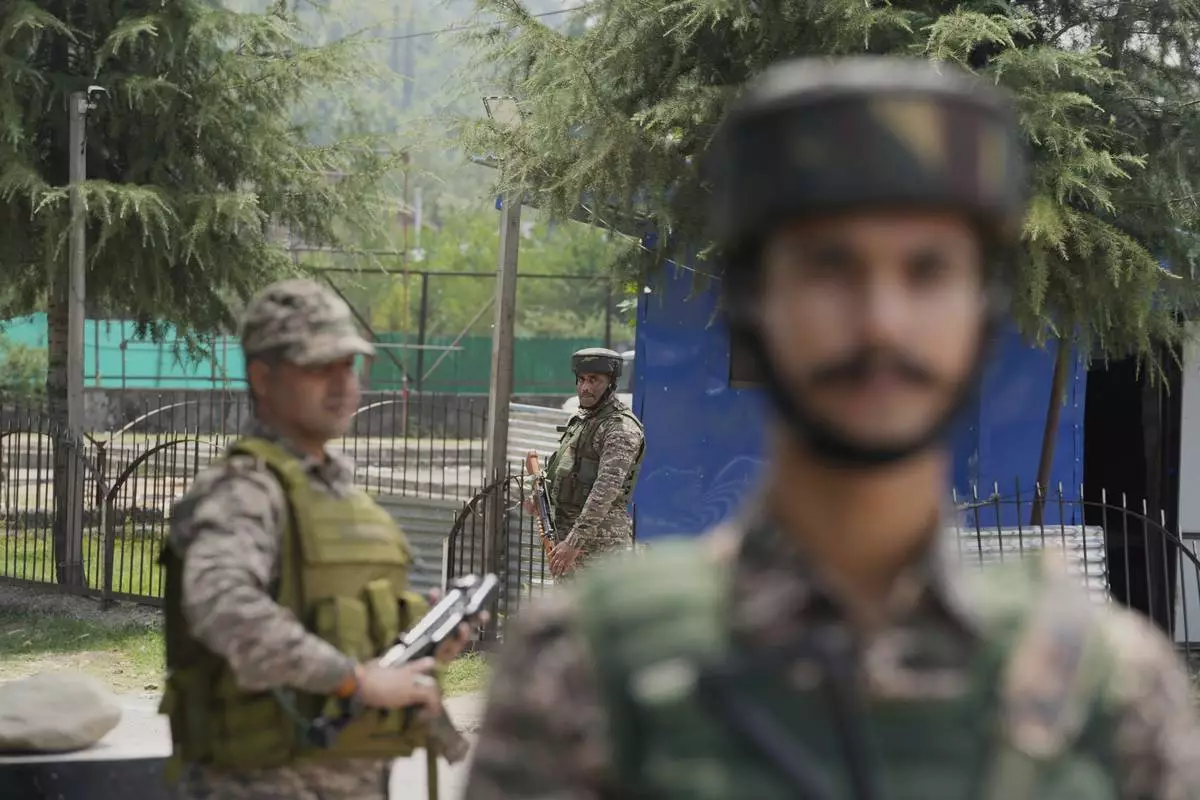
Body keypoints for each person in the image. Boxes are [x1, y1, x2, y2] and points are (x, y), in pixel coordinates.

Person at [462, 57, 1200, 799]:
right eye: (830, 269)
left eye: (928, 272)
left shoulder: (1111, 696)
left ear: (982, 314)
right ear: (753, 305)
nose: (881, 321)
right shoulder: (589, 673)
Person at [159, 279, 476, 800]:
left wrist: (417, 639)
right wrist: (356, 680)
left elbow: (332, 624)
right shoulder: (246, 489)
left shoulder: (337, 495)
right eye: (318, 367)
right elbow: (223, 606)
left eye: (348, 365)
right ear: (263, 377)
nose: (342, 384)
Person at [541, 348, 645, 579]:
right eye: (581, 380)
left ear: (611, 383)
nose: (585, 387)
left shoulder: (619, 428)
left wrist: (574, 542)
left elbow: (605, 491)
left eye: (594, 380)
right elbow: (563, 469)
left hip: (600, 549)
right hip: (566, 541)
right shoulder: (582, 420)